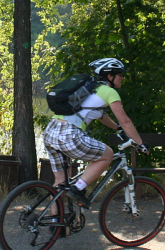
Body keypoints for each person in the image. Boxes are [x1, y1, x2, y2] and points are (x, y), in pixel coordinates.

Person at [43, 58, 150, 208]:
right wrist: (140, 143)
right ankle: (78, 188)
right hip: (68, 134)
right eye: (120, 75)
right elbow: (125, 120)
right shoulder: (109, 92)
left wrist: (117, 128)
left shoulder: (90, 88)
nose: (122, 78)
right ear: (110, 76)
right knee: (107, 155)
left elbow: (101, 115)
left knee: (60, 183)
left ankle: (56, 224)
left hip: (51, 132)